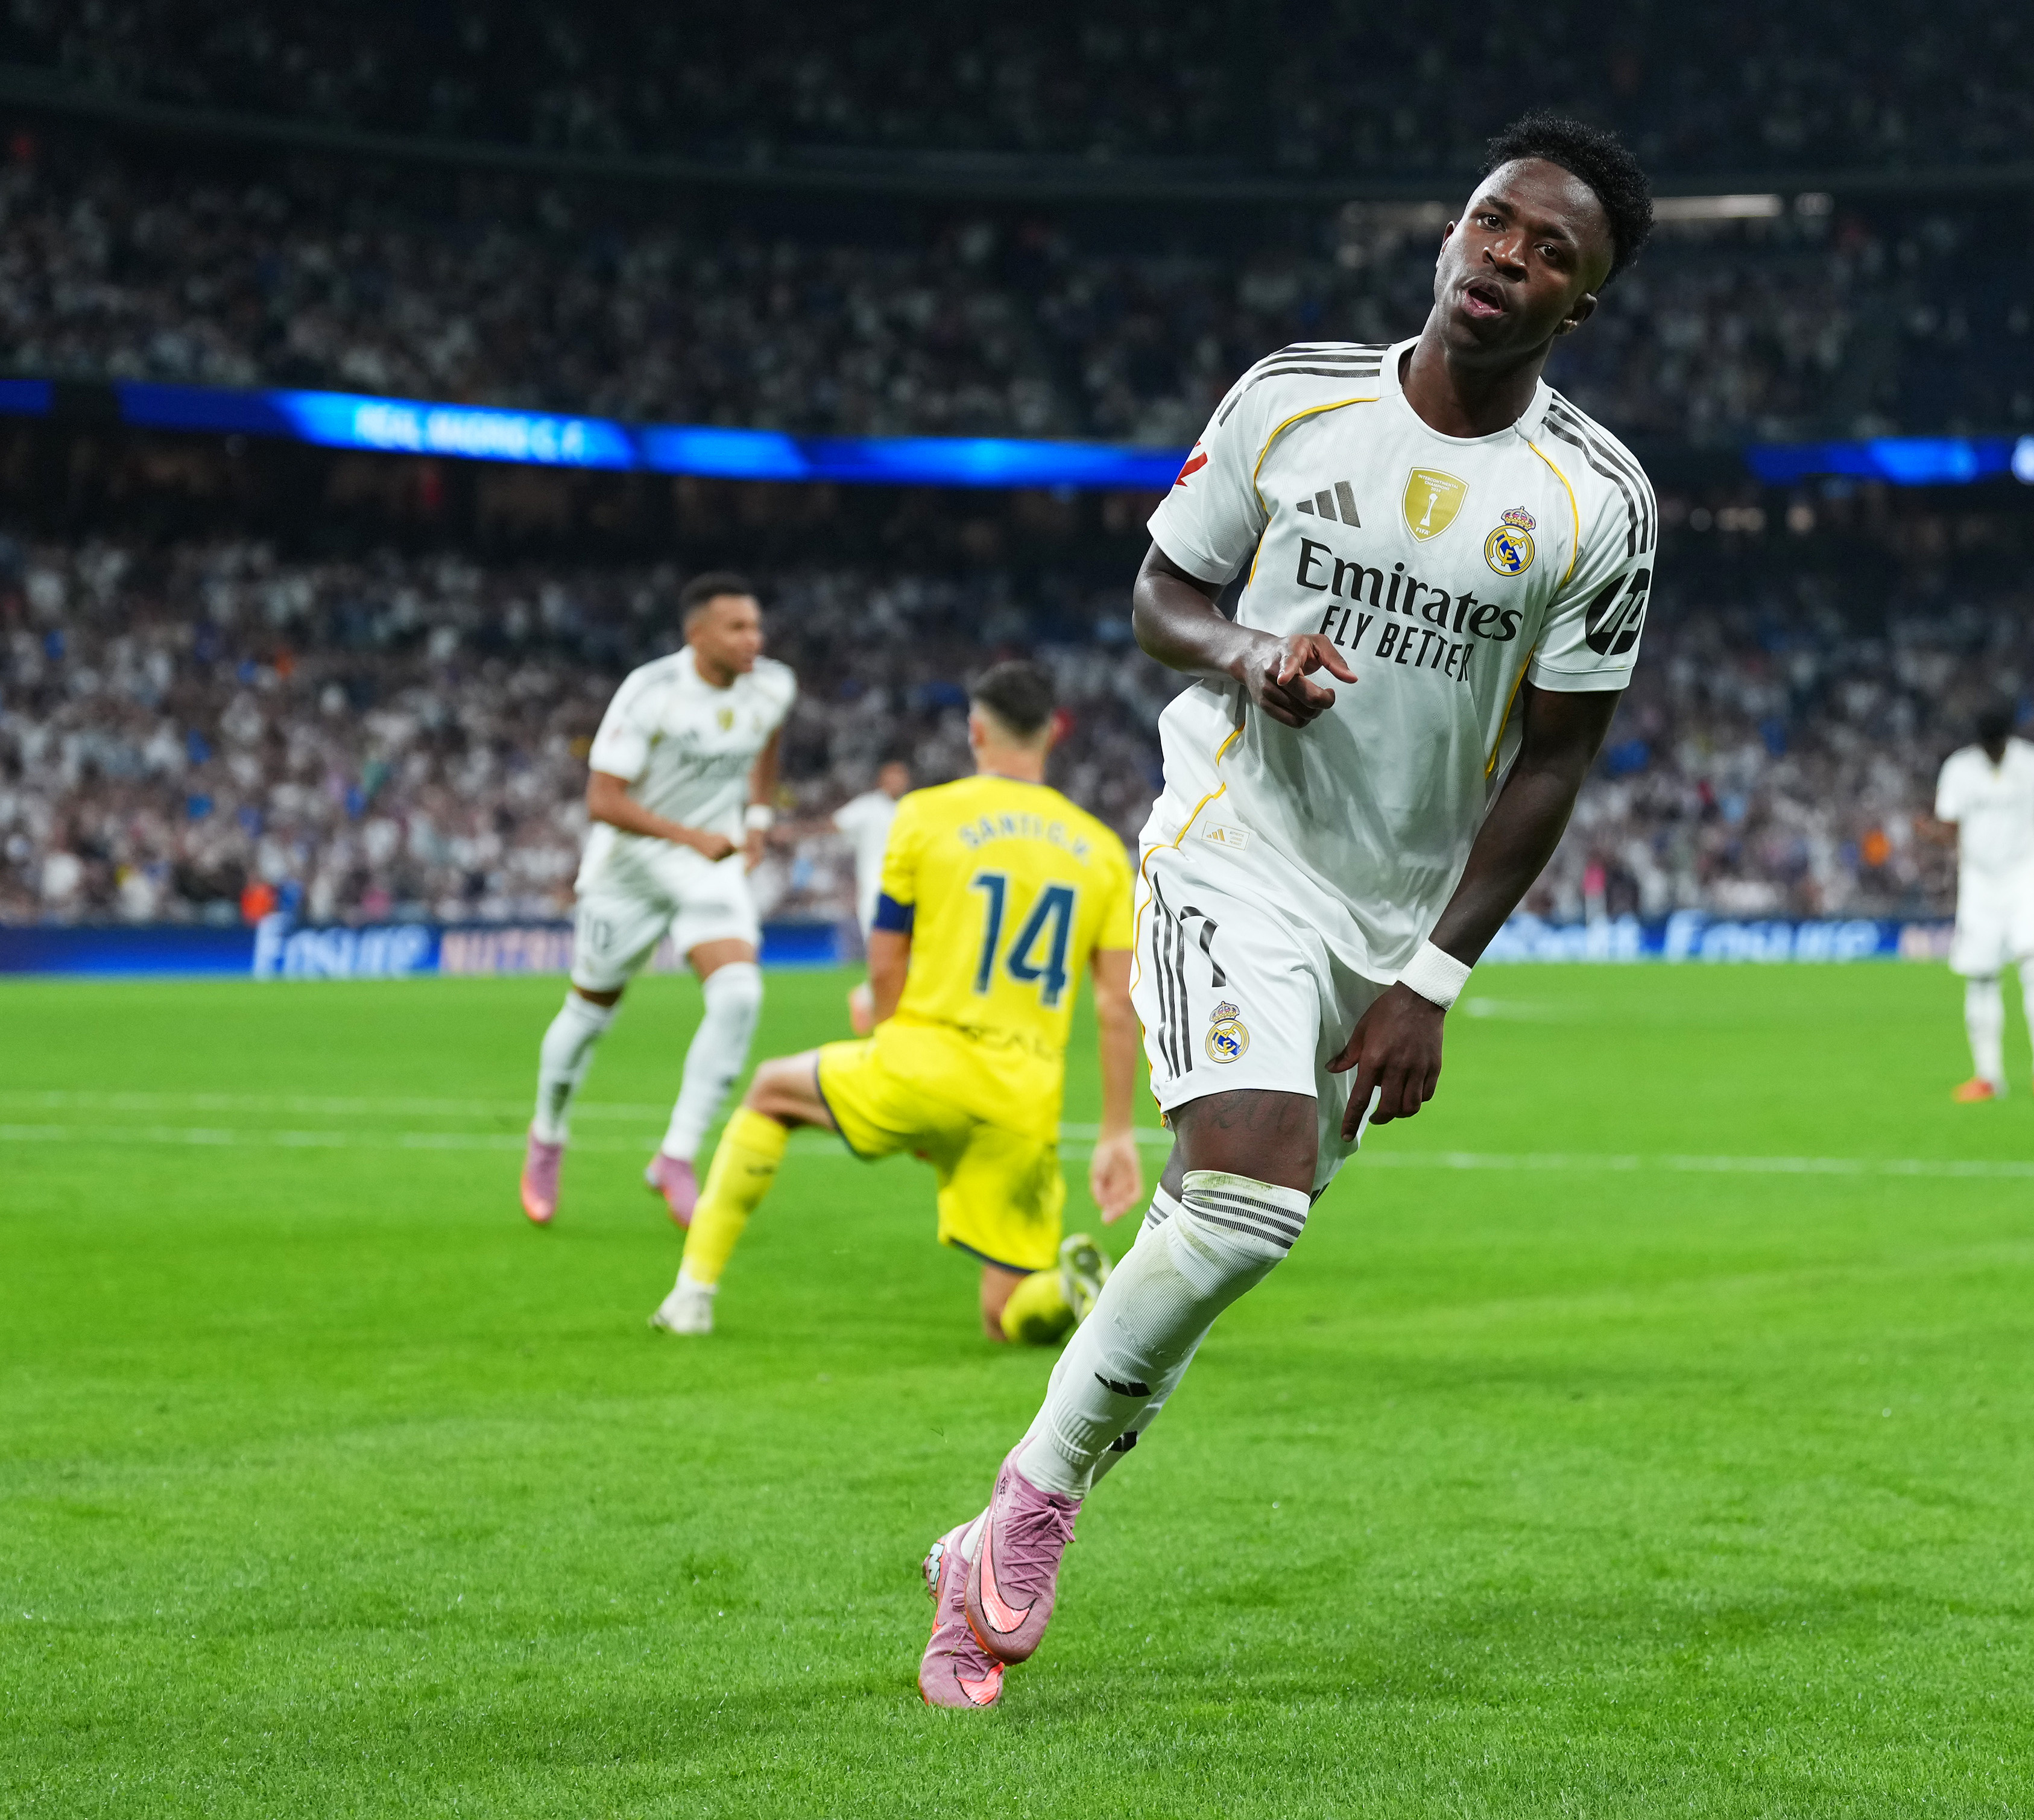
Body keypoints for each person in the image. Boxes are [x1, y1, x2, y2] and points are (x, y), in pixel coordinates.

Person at [914, 113, 1658, 1709]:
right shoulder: (1292, 397)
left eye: (1551, 255)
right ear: (1450, 231)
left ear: (1576, 305)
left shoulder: (1599, 506)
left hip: (1388, 920)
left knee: (1205, 1256)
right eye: (1492, 222)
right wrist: (1247, 655)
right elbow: (1159, 594)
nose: (1506, 259)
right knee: (1249, 1201)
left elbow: (1556, 757)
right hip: (1228, 839)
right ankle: (1028, 1509)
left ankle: (974, 1557)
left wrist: (1435, 977)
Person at [648, 662, 1142, 1344]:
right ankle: (1066, 1287)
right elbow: (1118, 1004)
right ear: (1053, 733)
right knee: (1006, 1315)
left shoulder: (923, 816)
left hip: (927, 1060)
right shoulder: (1101, 850)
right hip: (1024, 1097)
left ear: (975, 731)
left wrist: (890, 1043)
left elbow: (886, 958)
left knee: (768, 1091)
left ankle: (691, 1294)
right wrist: (1116, 1130)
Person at [519, 575, 795, 1228]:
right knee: (588, 1015)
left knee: (740, 996)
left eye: (756, 625)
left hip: (710, 868)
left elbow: (767, 743)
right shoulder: (651, 693)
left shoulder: (773, 685)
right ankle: (548, 1134)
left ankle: (675, 1157)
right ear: (695, 635)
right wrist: (688, 836)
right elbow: (603, 800)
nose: (752, 639)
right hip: (632, 872)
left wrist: (754, 818)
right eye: (736, 628)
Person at [1925, 703, 2034, 1102]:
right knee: (1980, 977)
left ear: (2007, 738)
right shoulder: (1959, 769)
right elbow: (1949, 825)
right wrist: (1930, 832)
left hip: (2025, 877)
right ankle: (1988, 1077)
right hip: (1978, 883)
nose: (1992, 750)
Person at [833, 759, 913, 1034]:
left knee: (907, 953)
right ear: (882, 780)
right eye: (892, 777)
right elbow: (837, 825)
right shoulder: (867, 807)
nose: (897, 782)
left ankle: (871, 999)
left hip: (909, 890)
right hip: (875, 890)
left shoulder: (911, 807)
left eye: (901, 777)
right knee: (884, 951)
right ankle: (875, 1004)